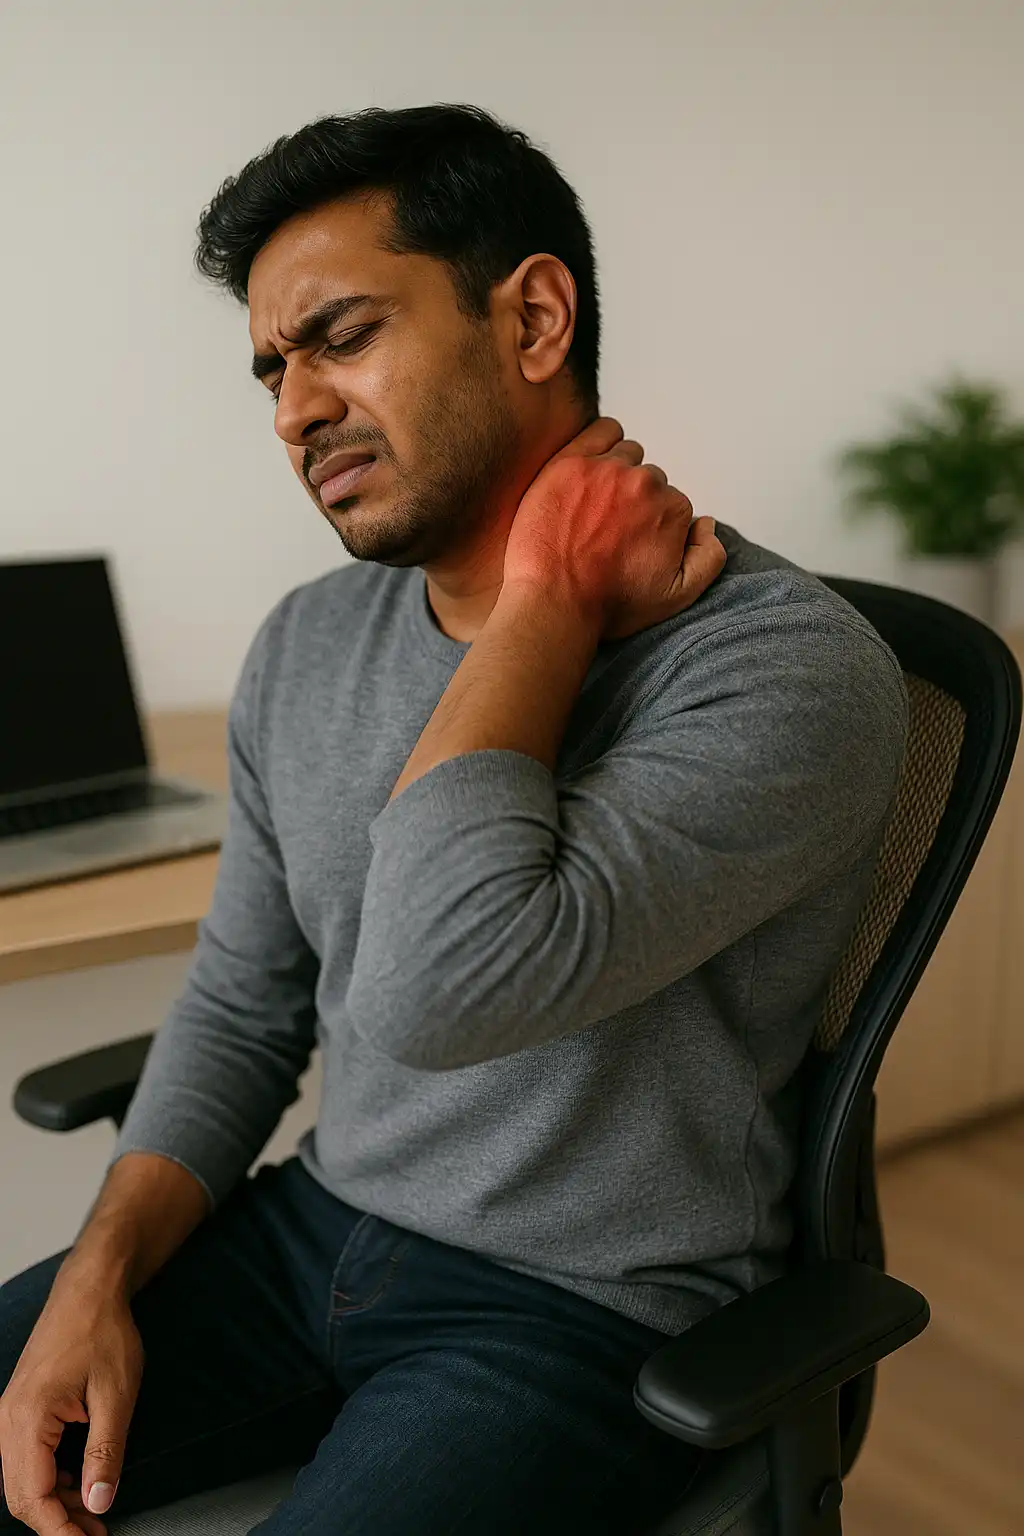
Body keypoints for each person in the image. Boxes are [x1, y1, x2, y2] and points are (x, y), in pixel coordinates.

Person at [0, 104, 908, 1536]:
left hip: (578, 1311)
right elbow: (244, 1005)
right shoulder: (307, 644)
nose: (293, 408)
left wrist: (545, 601)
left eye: (341, 336)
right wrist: (96, 1276)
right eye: (270, 370)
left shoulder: (785, 672)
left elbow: (441, 985)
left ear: (535, 317)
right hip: (315, 1232)